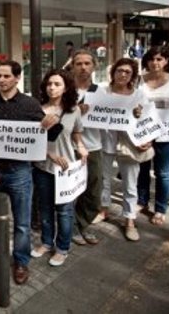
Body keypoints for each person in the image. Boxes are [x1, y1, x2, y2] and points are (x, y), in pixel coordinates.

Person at [0, 60, 51, 285]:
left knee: (22, 222)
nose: (2, 80)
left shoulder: (30, 104)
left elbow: (45, 134)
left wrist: (49, 124)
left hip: (20, 172)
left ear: (17, 78)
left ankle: (21, 261)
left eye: (7, 76)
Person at [32, 70, 88, 267]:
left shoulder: (74, 111)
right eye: (49, 84)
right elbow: (31, 141)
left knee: (65, 210)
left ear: (66, 88)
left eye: (57, 84)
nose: (52, 87)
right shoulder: (37, 110)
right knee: (45, 208)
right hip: (43, 168)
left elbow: (77, 134)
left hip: (66, 170)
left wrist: (81, 148)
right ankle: (47, 242)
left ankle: (62, 248)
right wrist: (50, 155)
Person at [136, 46, 169, 225]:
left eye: (160, 59)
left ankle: (160, 209)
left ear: (167, 61)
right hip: (143, 131)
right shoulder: (138, 80)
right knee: (142, 170)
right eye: (152, 59)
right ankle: (141, 201)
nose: (155, 62)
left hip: (168, 132)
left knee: (163, 172)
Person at [96, 58, 149, 241]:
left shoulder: (139, 95)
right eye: (120, 71)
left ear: (133, 76)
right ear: (113, 72)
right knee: (104, 180)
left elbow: (148, 120)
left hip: (129, 145)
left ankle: (130, 220)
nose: (123, 74)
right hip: (105, 141)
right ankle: (103, 210)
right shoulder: (101, 90)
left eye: (127, 72)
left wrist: (146, 137)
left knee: (130, 184)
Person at [69, 50, 103, 245]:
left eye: (87, 63)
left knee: (93, 191)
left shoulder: (102, 91)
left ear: (94, 66)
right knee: (70, 190)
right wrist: (74, 111)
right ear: (72, 66)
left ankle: (81, 224)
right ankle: (70, 228)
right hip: (68, 147)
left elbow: (118, 115)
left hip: (93, 146)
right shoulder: (65, 89)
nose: (83, 67)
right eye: (79, 63)